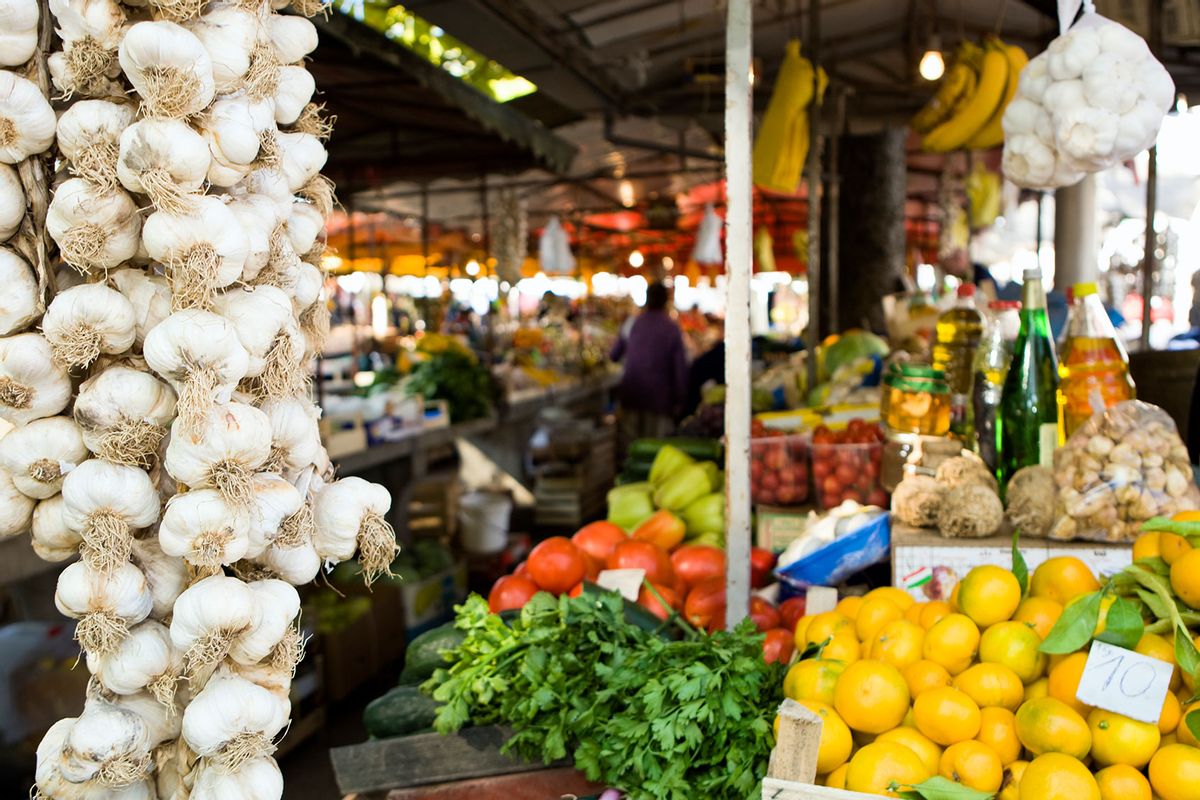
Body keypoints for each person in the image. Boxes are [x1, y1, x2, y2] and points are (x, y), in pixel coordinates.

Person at [610, 282, 688, 446]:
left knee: (630, 450)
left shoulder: (632, 323)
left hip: (631, 396)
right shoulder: (671, 328)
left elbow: (614, 355)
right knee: (653, 452)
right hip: (659, 399)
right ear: (666, 301)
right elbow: (680, 369)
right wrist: (680, 400)